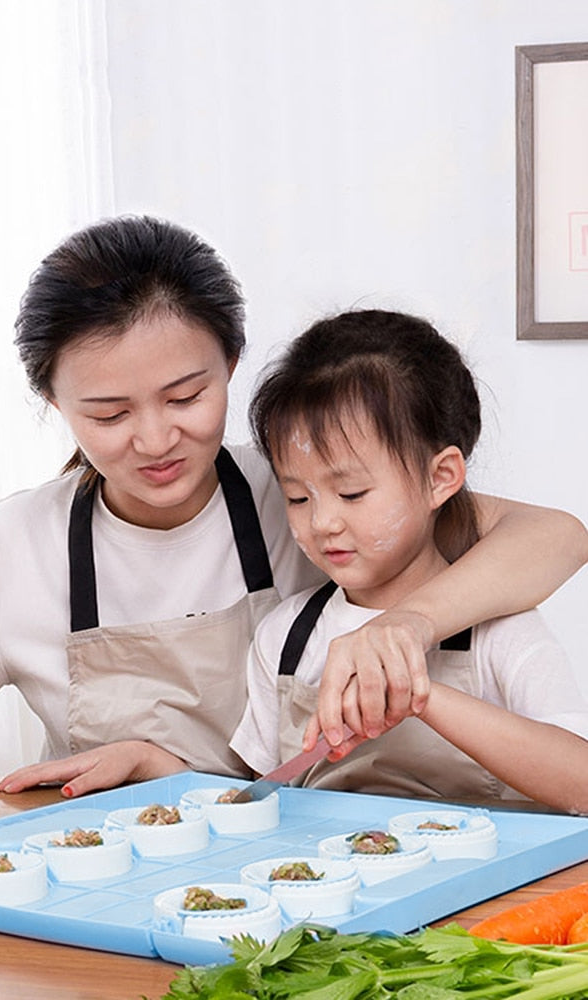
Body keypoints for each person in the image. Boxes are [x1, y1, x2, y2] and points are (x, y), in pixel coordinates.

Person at [0, 219, 585, 822]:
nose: (156, 439)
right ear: (53, 405)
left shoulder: (299, 479)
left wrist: (407, 627)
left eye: (186, 396)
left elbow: (554, 536)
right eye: (108, 413)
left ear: (230, 362)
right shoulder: (19, 543)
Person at [231, 309, 588, 812]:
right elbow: (263, 797)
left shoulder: (499, 630)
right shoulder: (286, 635)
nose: (323, 522)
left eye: (352, 493)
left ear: (441, 477)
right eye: (298, 497)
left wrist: (423, 698)